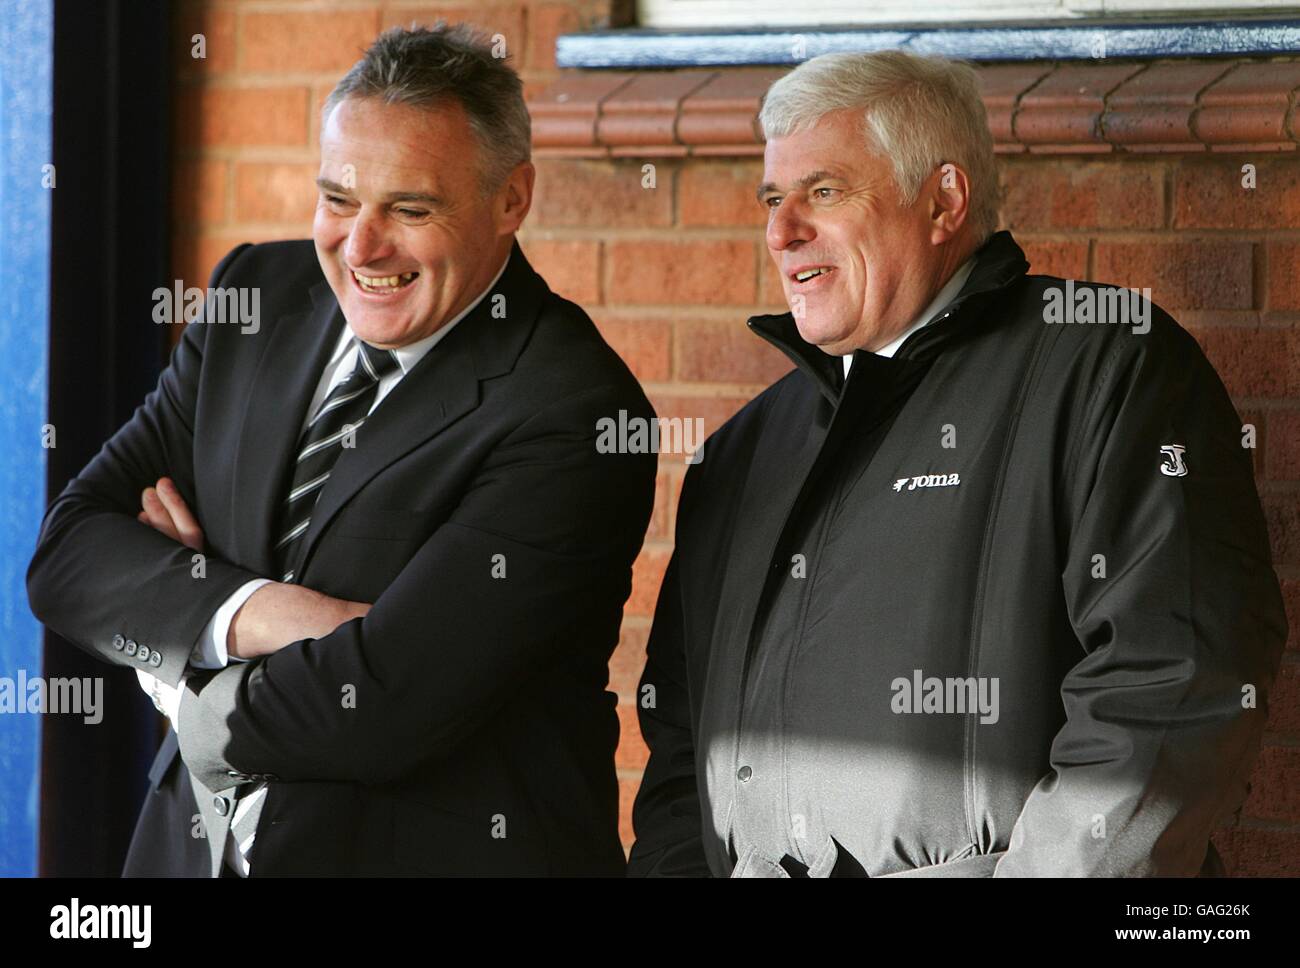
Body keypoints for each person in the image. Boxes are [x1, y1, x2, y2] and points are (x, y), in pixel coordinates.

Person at [626, 49, 1287, 877]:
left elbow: (1169, 685)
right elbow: (682, 745)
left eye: (823, 192)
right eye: (772, 198)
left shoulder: (1106, 370)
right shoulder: (743, 450)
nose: (781, 230)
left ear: (943, 201)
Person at [27, 23, 656, 876]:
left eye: (409, 207)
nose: (362, 248)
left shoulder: (574, 407)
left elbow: (386, 704)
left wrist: (181, 670)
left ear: (512, 199)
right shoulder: (257, 295)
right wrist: (259, 611)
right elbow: (67, 555)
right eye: (339, 199)